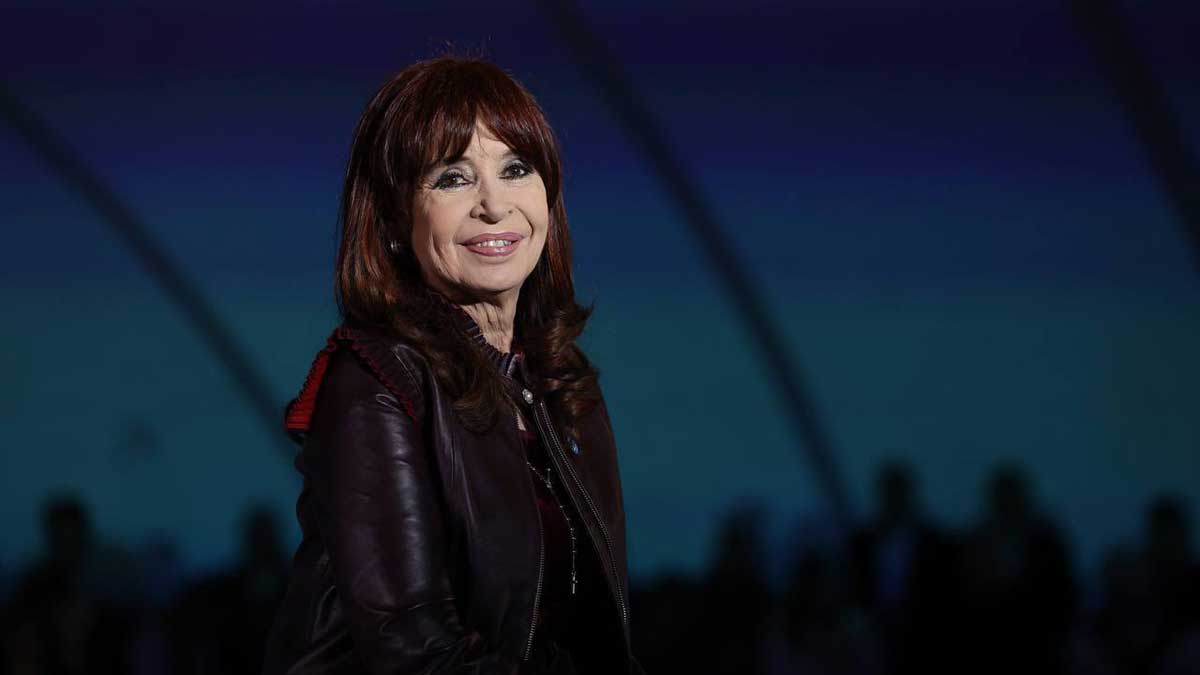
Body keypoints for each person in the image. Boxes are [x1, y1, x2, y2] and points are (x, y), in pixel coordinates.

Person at [261, 54, 644, 675]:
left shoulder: (561, 379)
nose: (494, 205)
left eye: (516, 169)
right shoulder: (376, 381)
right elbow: (417, 655)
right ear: (394, 219)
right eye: (452, 178)